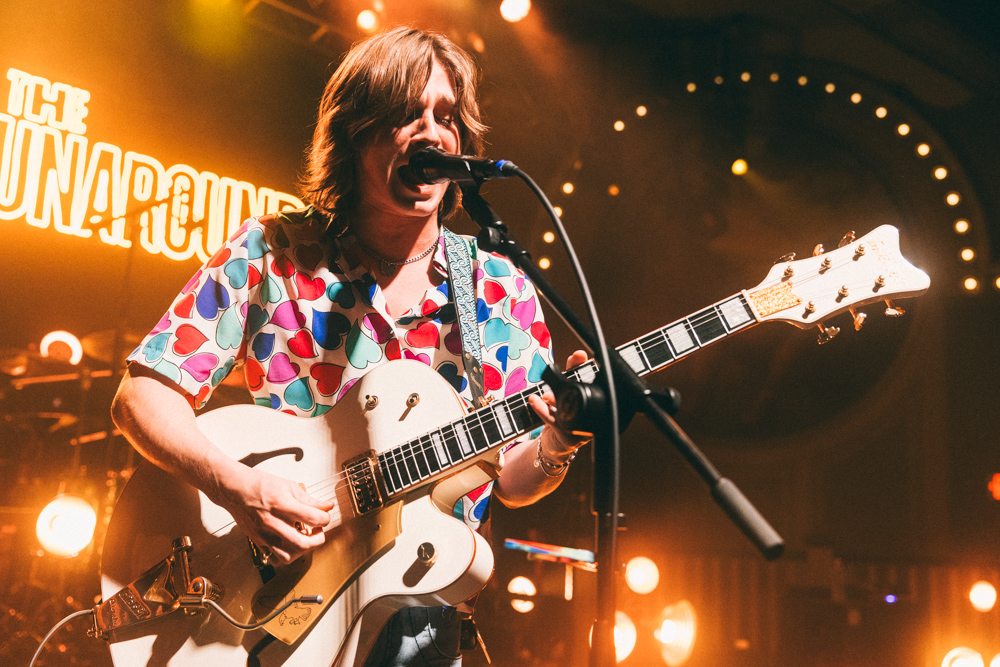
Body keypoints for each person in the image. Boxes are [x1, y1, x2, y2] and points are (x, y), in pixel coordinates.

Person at [111, 26, 588, 666]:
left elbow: (510, 479)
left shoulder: (499, 289)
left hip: (423, 612)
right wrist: (237, 488)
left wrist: (559, 442)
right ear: (355, 132)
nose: (431, 134)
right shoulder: (274, 252)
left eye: (446, 117)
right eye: (405, 113)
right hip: (273, 605)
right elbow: (142, 395)